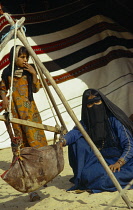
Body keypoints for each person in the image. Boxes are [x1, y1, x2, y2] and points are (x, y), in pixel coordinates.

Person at [60, 88, 133, 193]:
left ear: (102, 102)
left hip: (123, 161)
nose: (94, 106)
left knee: (113, 178)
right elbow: (75, 133)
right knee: (78, 144)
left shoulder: (114, 120)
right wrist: (63, 141)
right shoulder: (87, 123)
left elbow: (129, 145)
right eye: (90, 104)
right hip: (100, 161)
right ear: (86, 106)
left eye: (97, 101)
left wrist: (119, 163)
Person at [0, 45, 48, 201]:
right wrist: (5, 98)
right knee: (21, 145)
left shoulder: (29, 71)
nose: (25, 60)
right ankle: (29, 180)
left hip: (30, 111)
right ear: (15, 58)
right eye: (21, 57)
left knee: (36, 142)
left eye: (26, 57)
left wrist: (34, 74)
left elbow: (36, 89)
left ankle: (42, 173)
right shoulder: (7, 72)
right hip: (16, 112)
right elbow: (2, 88)